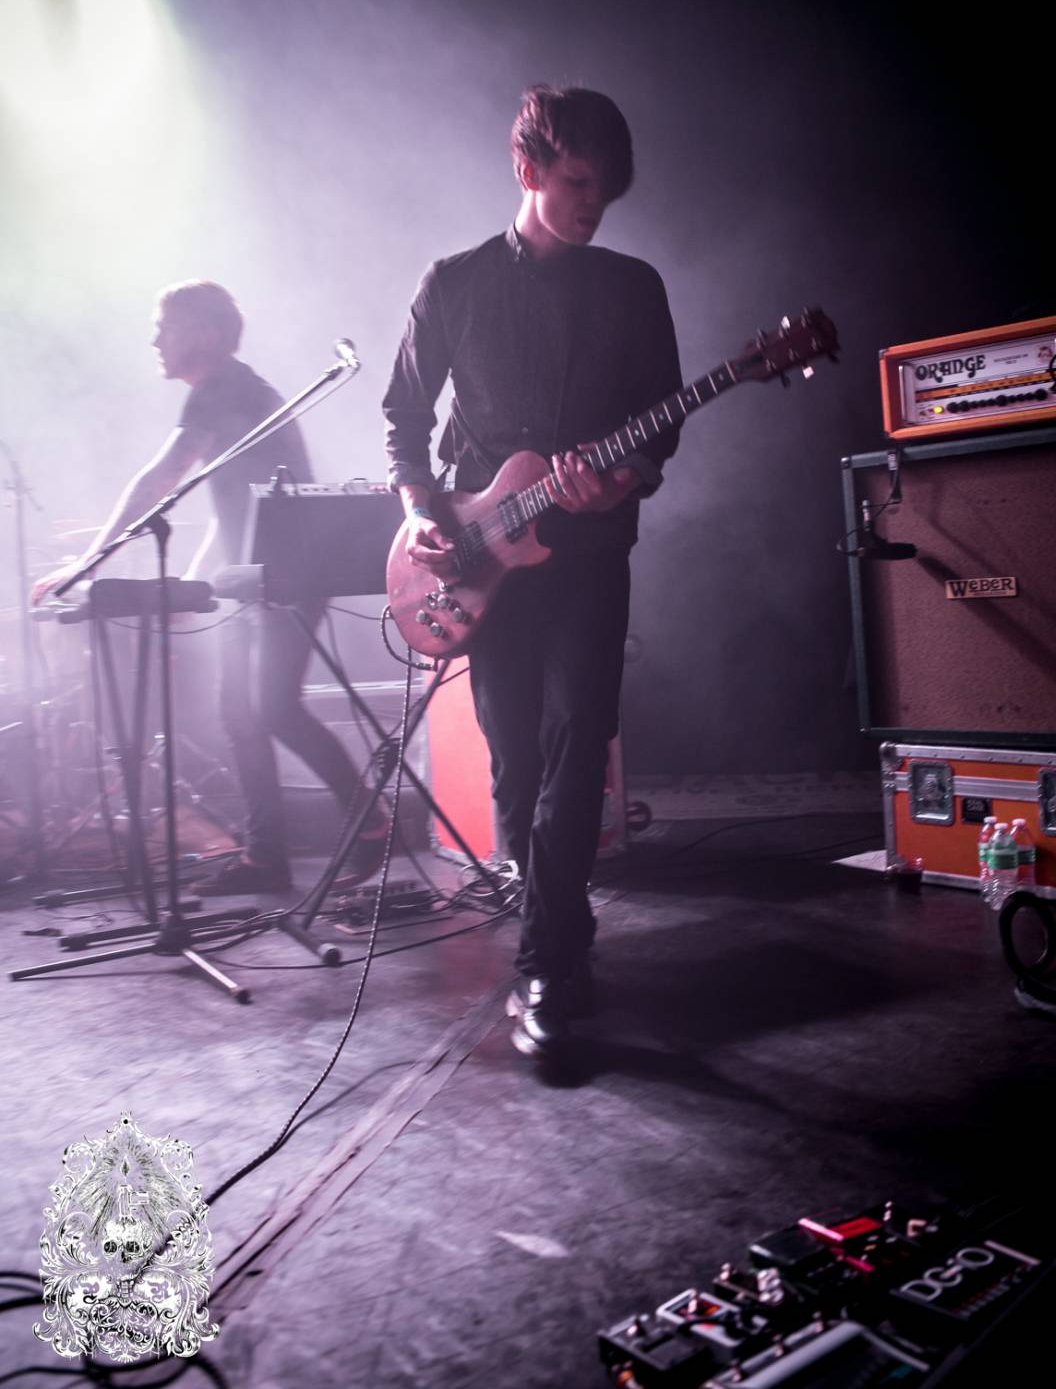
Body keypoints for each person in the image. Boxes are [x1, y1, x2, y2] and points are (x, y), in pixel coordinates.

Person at [383, 85, 683, 1056]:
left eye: (606, 191)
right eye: (577, 182)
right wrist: (420, 514)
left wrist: (622, 478)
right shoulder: (452, 284)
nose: (593, 205)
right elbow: (403, 420)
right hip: (484, 559)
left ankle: (549, 963)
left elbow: (661, 427)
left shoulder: (632, 288)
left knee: (577, 739)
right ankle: (561, 922)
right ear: (527, 167)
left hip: (590, 556)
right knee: (514, 759)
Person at [31, 280, 379, 894]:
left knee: (272, 708)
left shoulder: (223, 389)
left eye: (165, 326)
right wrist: (192, 581)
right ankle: (267, 857)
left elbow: (162, 478)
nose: (154, 340)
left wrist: (89, 563)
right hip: (258, 578)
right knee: (242, 715)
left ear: (207, 333)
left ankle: (369, 824)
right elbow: (236, 503)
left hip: (286, 577)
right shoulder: (238, 389)